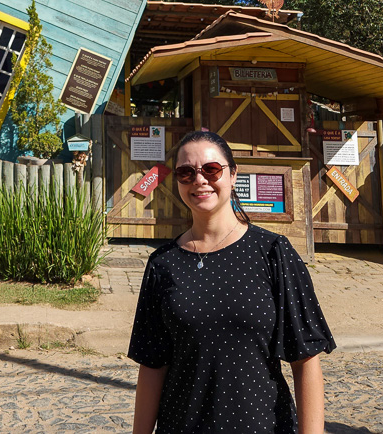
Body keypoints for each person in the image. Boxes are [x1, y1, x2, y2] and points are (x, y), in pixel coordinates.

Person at [129, 129, 335, 434]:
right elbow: (152, 366)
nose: (199, 180)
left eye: (211, 169)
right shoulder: (163, 264)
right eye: (186, 172)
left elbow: (305, 359)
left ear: (233, 175)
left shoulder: (273, 253)